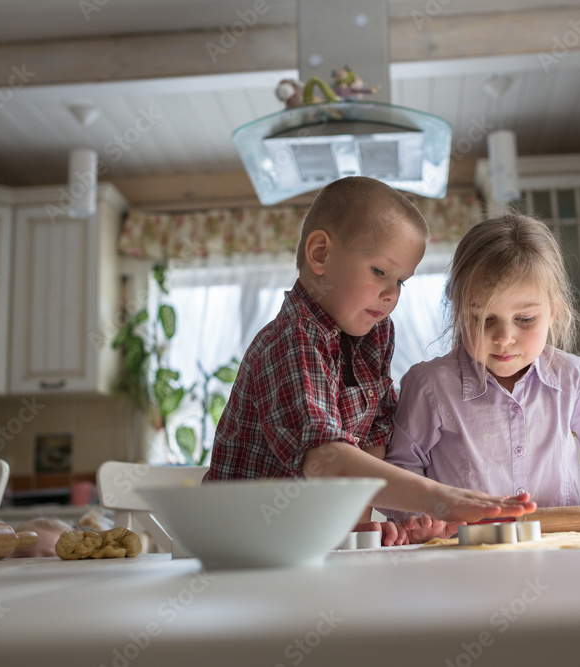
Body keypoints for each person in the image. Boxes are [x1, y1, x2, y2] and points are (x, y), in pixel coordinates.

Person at [206, 178, 536, 543]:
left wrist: (354, 527)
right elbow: (326, 461)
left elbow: (374, 436)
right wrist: (439, 496)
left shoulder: (376, 335)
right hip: (240, 543)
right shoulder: (291, 338)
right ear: (320, 254)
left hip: (306, 542)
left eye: (401, 282)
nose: (390, 294)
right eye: (379, 272)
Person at [386, 214, 580, 531]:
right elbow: (400, 469)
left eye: (525, 320)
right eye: (484, 319)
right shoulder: (430, 386)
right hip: (464, 557)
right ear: (459, 311)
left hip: (558, 553)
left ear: (552, 314)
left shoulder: (575, 377)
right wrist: (417, 518)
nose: (504, 337)